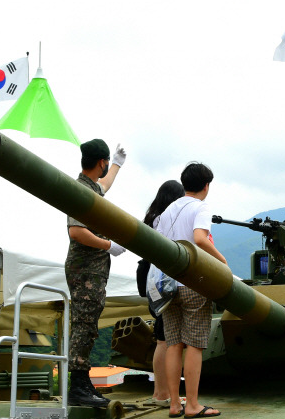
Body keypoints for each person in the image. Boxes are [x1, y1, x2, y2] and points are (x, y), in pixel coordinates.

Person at [157, 162, 225, 418]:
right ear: (206, 186)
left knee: (173, 344)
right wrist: (222, 261)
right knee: (194, 345)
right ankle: (193, 405)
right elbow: (199, 238)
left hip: (167, 285)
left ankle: (175, 404)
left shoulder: (167, 212)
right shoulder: (201, 207)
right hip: (193, 282)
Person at [65, 139, 127, 407]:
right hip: (85, 271)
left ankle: (83, 380)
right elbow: (76, 231)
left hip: (92, 272)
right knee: (83, 325)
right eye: (106, 164)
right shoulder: (79, 190)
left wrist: (117, 164)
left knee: (88, 326)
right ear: (99, 163)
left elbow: (104, 185)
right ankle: (77, 385)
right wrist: (108, 245)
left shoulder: (89, 187)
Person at [139, 180, 186, 406]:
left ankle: (160, 392)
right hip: (162, 281)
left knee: (162, 338)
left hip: (149, 280)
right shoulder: (165, 220)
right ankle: (163, 393)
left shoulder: (151, 218)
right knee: (165, 340)